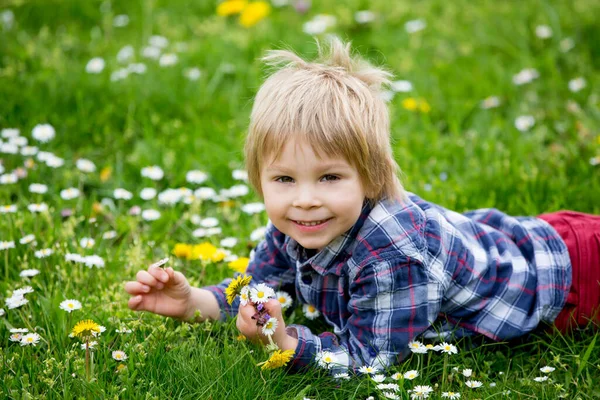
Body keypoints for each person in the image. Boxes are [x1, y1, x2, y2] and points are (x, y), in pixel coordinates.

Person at [124, 38, 599, 374]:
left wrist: (286, 343)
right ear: (260, 182)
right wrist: (194, 303)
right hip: (535, 238)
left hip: (574, 276)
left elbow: (369, 361)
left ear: (371, 177)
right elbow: (260, 290)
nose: (305, 199)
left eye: (329, 177)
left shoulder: (392, 256)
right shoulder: (295, 225)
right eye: (284, 179)